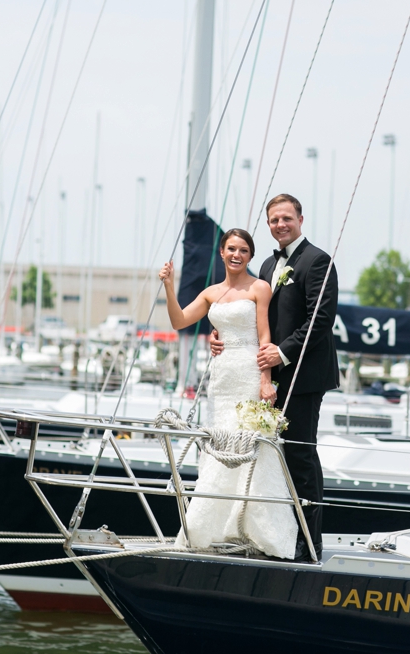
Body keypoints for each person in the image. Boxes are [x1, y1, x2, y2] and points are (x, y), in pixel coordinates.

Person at [211, 194, 339, 562]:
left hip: (303, 375)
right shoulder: (266, 264)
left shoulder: (318, 261)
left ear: (301, 218)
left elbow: (320, 319)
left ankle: (309, 542)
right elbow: (248, 312)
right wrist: (218, 332)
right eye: (273, 220)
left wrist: (282, 352)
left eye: (286, 218)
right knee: (269, 458)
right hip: (265, 378)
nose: (280, 225)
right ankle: (274, 534)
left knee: (299, 455)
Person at [159, 228, 298, 559]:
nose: (237, 255)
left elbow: (265, 336)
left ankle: (258, 529)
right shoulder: (210, 293)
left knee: (250, 445)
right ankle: (211, 529)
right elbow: (179, 321)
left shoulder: (259, 288)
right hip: (221, 379)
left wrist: (266, 380)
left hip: (249, 371)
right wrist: (168, 285)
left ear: (250, 256)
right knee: (220, 445)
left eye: (244, 250)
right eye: (231, 249)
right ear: (221, 252)